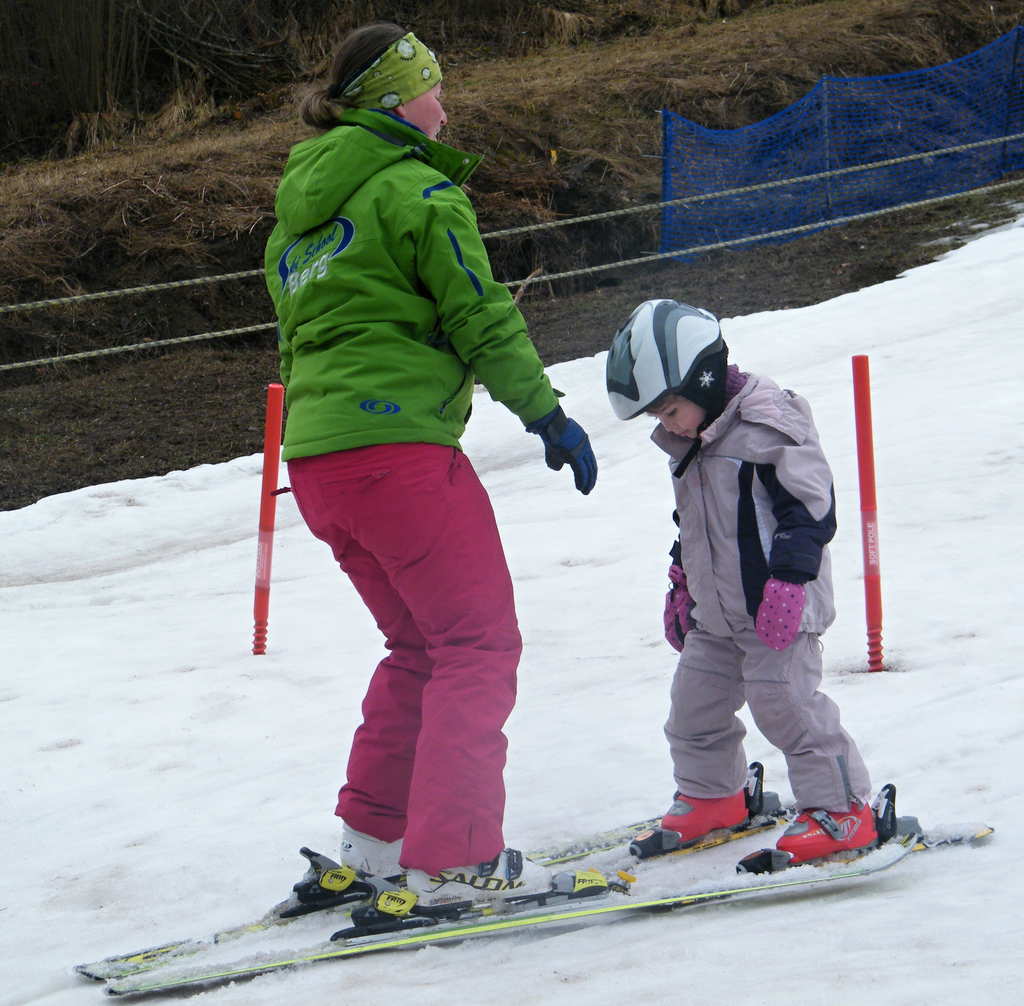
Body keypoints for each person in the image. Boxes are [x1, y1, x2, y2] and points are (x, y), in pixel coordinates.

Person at [263, 22, 597, 906]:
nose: (444, 108)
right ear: (392, 103)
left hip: (320, 465)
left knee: (416, 645)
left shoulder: (297, 222)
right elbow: (480, 315)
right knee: (477, 645)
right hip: (398, 459)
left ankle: (371, 846)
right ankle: (455, 859)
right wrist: (547, 415)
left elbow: (302, 347)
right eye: (432, 90)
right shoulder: (417, 194)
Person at [606, 299, 876, 865]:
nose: (666, 423)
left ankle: (843, 808)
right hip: (716, 614)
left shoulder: (766, 426)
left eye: (670, 409)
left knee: (787, 707)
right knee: (692, 709)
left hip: (778, 608)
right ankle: (715, 797)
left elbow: (812, 510)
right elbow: (697, 521)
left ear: (702, 381)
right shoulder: (693, 440)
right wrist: (683, 579)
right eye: (657, 415)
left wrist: (788, 579)